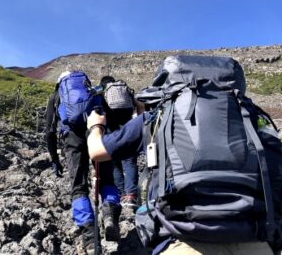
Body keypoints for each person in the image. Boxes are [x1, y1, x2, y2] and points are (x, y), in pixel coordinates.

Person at [85, 101, 277, 255]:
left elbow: (96, 151)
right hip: (254, 239)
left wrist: (96, 126)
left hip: (182, 240)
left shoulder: (157, 116)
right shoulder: (251, 116)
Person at [45, 71, 121, 254]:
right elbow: (107, 115)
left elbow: (49, 131)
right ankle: (109, 214)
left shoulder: (56, 97)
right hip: (96, 133)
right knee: (108, 181)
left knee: (78, 188)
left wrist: (55, 160)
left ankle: (90, 239)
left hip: (72, 139)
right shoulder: (90, 91)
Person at [100, 76, 139, 209]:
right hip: (128, 124)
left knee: (115, 161)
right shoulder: (124, 89)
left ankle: (121, 194)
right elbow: (136, 105)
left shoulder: (104, 92)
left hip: (111, 128)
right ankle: (132, 195)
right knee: (129, 160)